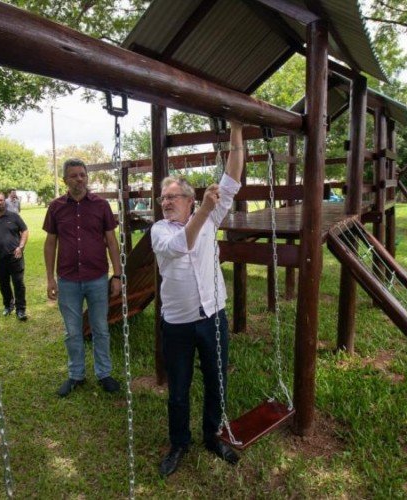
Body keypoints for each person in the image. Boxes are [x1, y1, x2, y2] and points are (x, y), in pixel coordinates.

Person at [152, 121, 245, 477]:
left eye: (172, 197)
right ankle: (179, 443)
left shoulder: (209, 215)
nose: (166, 203)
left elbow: (232, 176)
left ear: (189, 200)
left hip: (213, 316)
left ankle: (213, 436)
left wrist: (237, 128)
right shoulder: (161, 230)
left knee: (216, 380)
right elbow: (181, 245)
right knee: (178, 388)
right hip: (177, 323)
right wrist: (205, 211)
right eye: (163, 199)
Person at [44, 158, 122, 397]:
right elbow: (50, 243)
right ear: (65, 180)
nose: (79, 179)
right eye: (74, 175)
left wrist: (117, 275)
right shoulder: (56, 207)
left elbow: (111, 241)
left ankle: (104, 373)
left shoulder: (101, 206)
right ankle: (76, 375)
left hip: (97, 278)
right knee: (72, 331)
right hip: (67, 280)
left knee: (100, 328)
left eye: (82, 175)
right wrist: (49, 278)